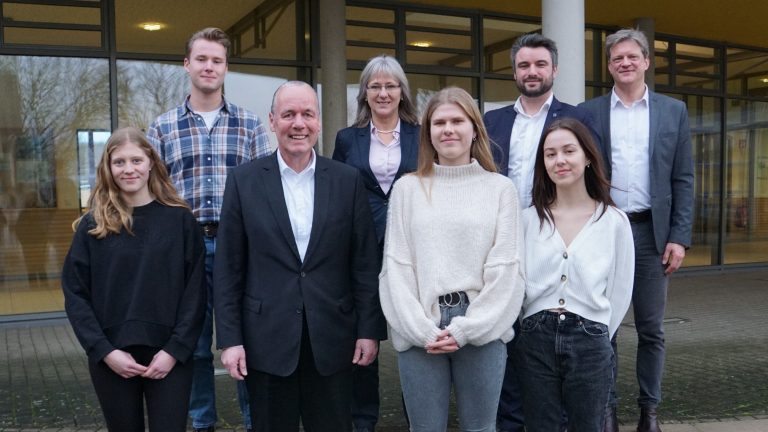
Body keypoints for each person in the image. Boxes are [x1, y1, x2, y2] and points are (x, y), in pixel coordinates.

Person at [213, 81, 387, 432]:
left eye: (307, 114)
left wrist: (369, 330)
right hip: (266, 341)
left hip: (333, 341)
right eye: (289, 114)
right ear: (272, 121)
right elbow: (228, 269)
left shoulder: (346, 180)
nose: (298, 123)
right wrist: (230, 340)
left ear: (318, 122)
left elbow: (365, 264)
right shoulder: (244, 182)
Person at [146, 27, 271, 432]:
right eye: (201, 59)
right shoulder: (162, 128)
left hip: (240, 248)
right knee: (193, 347)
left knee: (246, 342)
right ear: (187, 64)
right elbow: (153, 194)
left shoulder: (251, 126)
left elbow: (266, 191)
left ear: (226, 68)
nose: (209, 67)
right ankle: (202, 423)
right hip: (186, 249)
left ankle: (256, 421)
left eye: (217, 60)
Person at [379, 86, 525, 432]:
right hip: (420, 330)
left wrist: (467, 328)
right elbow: (396, 269)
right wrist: (421, 329)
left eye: (457, 121)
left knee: (481, 428)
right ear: (427, 132)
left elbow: (507, 270)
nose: (448, 129)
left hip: (482, 327)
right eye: (439, 122)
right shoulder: (406, 189)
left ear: (474, 129)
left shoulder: (500, 190)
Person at [483, 33, 600, 432]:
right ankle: (511, 422)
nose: (531, 72)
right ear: (514, 71)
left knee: (548, 334)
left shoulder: (578, 118)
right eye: (523, 65)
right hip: (499, 243)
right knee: (505, 332)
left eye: (539, 65)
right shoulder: (491, 121)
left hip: (555, 240)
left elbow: (595, 176)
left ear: (554, 70)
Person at [579, 28, 694, 432]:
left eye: (632, 56)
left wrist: (679, 236)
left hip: (650, 234)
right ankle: (606, 410)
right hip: (603, 230)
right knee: (602, 327)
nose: (624, 63)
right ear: (609, 66)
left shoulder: (672, 111)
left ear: (646, 61)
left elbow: (683, 177)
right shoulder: (588, 111)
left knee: (651, 329)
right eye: (616, 58)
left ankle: (650, 412)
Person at [61, 127, 206, 431]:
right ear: (108, 168)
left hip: (169, 357)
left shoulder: (180, 220)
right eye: (119, 162)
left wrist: (174, 351)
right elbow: (76, 295)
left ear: (151, 162)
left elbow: (195, 293)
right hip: (112, 357)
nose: (129, 169)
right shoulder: (93, 226)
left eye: (136, 160)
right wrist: (104, 351)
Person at [515, 118, 634, 432]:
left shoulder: (614, 221)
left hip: (591, 339)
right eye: (550, 154)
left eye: (569, 151)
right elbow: (518, 282)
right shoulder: (528, 220)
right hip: (535, 337)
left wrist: (598, 331)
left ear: (588, 157)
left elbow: (621, 289)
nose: (560, 160)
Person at [332, 54, 420, 432]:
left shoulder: (423, 134)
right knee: (362, 340)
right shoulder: (347, 138)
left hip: (412, 249)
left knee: (413, 338)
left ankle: (418, 417)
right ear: (364, 94)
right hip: (360, 250)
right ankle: (362, 421)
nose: (383, 93)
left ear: (402, 92)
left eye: (391, 85)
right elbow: (336, 193)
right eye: (375, 86)